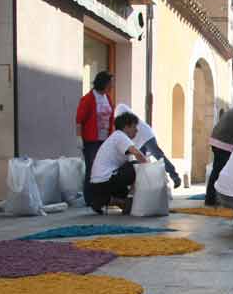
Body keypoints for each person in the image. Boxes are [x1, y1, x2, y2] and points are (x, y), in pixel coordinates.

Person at [89, 112, 149, 215]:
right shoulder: (120, 136)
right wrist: (150, 167)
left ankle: (106, 200)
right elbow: (137, 154)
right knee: (136, 167)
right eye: (134, 127)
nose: (136, 130)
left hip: (97, 184)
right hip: (105, 181)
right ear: (126, 127)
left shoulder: (115, 137)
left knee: (129, 168)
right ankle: (127, 199)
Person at [114, 104, 181, 189]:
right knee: (142, 163)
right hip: (139, 139)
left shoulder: (121, 111)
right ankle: (145, 184)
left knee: (159, 156)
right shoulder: (122, 111)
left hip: (147, 136)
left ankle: (175, 177)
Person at [76, 71, 114, 206]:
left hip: (104, 139)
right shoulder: (88, 99)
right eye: (110, 83)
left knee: (103, 168)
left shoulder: (107, 98)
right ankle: (89, 198)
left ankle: (100, 197)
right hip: (91, 140)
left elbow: (110, 117)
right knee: (91, 168)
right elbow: (79, 119)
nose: (111, 86)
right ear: (103, 83)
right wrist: (79, 137)